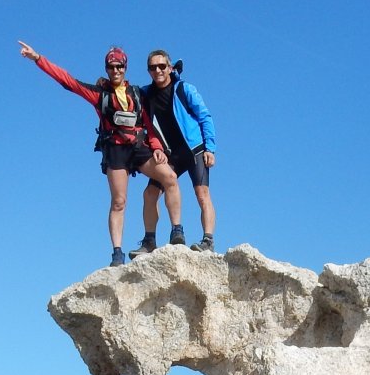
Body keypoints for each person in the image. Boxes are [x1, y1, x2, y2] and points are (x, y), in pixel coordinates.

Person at [18, 41, 184, 267]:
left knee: (169, 177)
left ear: (125, 68)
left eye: (119, 67)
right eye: (111, 67)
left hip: (138, 147)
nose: (115, 71)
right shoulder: (100, 94)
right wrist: (38, 58)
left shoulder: (136, 93)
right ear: (106, 68)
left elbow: (148, 123)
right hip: (115, 149)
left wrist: (156, 147)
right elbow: (68, 81)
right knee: (119, 201)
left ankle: (176, 231)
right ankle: (117, 253)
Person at [134, 49, 219, 254]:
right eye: (153, 67)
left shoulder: (184, 89)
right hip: (169, 153)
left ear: (170, 68)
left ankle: (208, 240)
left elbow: (204, 116)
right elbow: (126, 92)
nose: (158, 70)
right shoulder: (146, 94)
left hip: (194, 149)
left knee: (202, 193)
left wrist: (210, 148)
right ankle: (149, 240)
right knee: (150, 193)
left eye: (162, 66)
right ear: (149, 71)